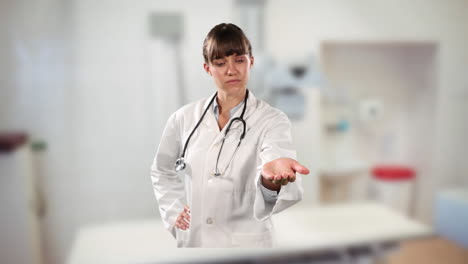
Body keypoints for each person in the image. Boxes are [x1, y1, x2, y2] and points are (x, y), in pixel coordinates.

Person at [150, 23, 309, 247]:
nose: (231, 70)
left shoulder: (272, 120)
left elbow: (276, 158)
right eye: (220, 63)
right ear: (207, 68)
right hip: (197, 243)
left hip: (247, 247)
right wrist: (173, 209)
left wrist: (270, 181)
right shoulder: (183, 118)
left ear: (251, 62)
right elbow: (161, 170)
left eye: (239, 60)